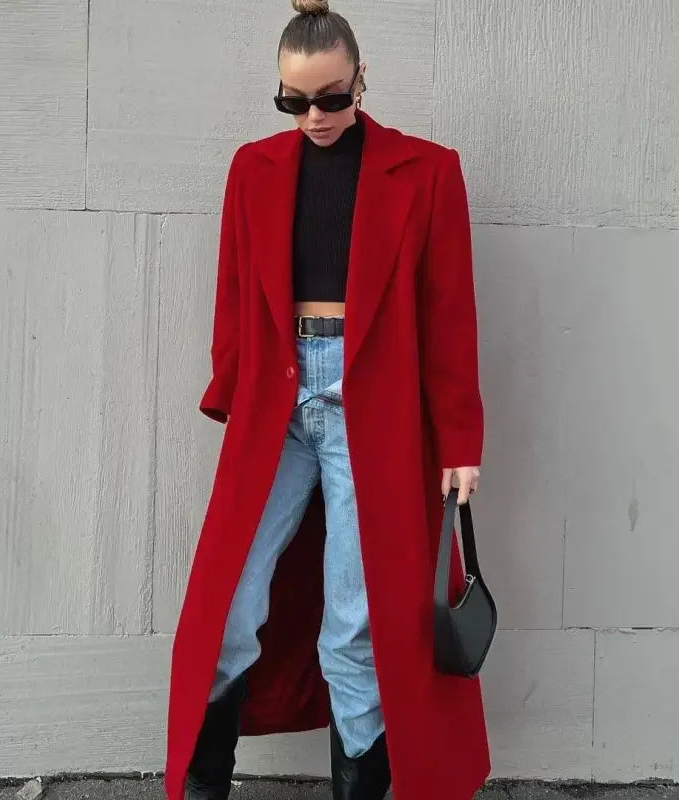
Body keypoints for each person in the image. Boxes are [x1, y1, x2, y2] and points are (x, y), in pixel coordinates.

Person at [165, 1, 489, 798]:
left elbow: (450, 314)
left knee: (356, 624)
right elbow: (236, 293)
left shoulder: (427, 171)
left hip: (369, 408)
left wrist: (459, 442)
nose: (314, 116)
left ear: (361, 79)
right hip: (275, 411)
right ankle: (205, 784)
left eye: (332, 98)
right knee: (225, 610)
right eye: (294, 100)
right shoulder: (253, 168)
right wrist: (232, 390)